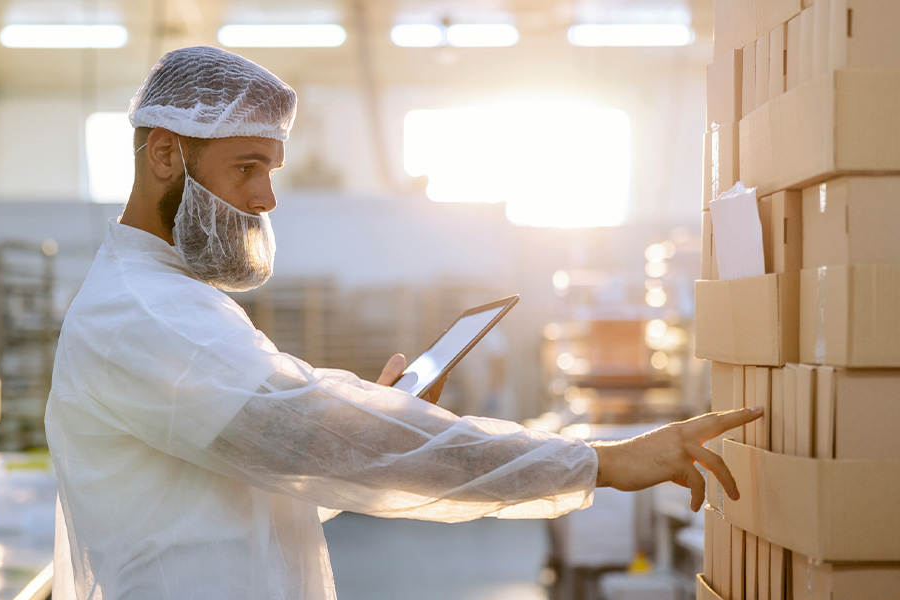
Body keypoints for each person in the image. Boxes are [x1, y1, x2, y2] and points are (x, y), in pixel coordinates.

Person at [44, 45, 760, 600]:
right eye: (248, 166)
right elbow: (304, 433)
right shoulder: (143, 313)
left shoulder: (177, 301)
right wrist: (602, 461)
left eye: (273, 171)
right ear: (167, 152)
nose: (266, 198)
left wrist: (379, 422)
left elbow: (251, 486)